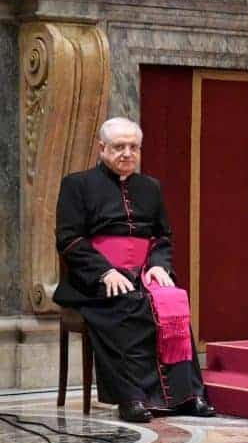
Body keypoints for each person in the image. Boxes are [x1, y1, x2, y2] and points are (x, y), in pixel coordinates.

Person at [54, 117, 216, 423]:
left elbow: (162, 235)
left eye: (133, 147)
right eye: (118, 147)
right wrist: (104, 272)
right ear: (102, 149)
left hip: (141, 272)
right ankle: (131, 398)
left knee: (173, 301)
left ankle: (187, 396)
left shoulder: (150, 187)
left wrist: (158, 265)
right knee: (125, 303)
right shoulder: (77, 184)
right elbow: (69, 239)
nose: (127, 153)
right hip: (94, 279)